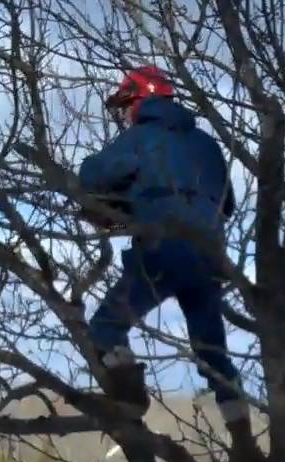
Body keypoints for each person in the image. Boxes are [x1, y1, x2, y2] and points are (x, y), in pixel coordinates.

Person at [78, 66, 251, 440]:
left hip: (162, 251)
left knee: (104, 329)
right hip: (209, 257)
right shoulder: (205, 144)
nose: (124, 116)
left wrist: (111, 207)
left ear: (139, 100)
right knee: (213, 354)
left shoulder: (142, 137)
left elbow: (93, 176)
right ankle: (244, 443)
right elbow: (225, 203)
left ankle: (130, 402)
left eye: (126, 106)